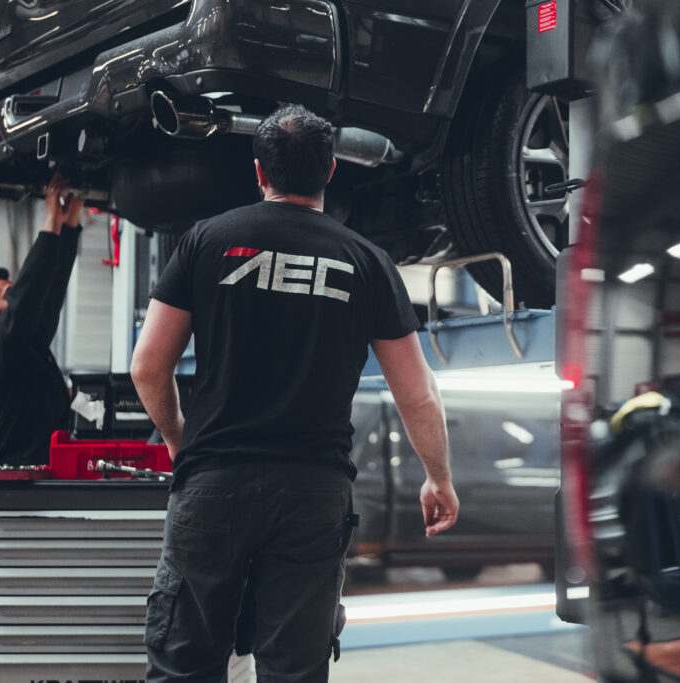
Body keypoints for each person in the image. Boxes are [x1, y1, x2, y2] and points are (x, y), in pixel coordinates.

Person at [131, 104, 458, 682]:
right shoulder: (367, 261)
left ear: (259, 171)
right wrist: (439, 477)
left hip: (214, 481)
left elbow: (147, 366)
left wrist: (183, 444)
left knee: (184, 666)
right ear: (330, 169)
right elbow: (418, 394)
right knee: (294, 672)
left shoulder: (206, 240)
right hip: (312, 495)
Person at [0, 173, 85, 466]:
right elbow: (27, 299)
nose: (19, 296)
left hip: (50, 471)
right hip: (15, 479)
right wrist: (50, 223)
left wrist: (69, 223)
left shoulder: (29, 341)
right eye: (9, 294)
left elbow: (49, 293)